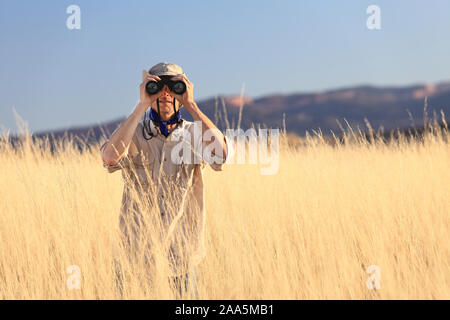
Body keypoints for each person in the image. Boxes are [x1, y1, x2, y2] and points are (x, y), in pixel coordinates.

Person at [100, 62, 229, 299]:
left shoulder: (194, 133)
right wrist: (142, 105)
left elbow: (221, 154)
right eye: (158, 86)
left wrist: (191, 104)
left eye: (173, 86)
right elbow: (109, 158)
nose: (166, 94)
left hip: (181, 254)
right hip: (135, 252)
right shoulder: (134, 134)